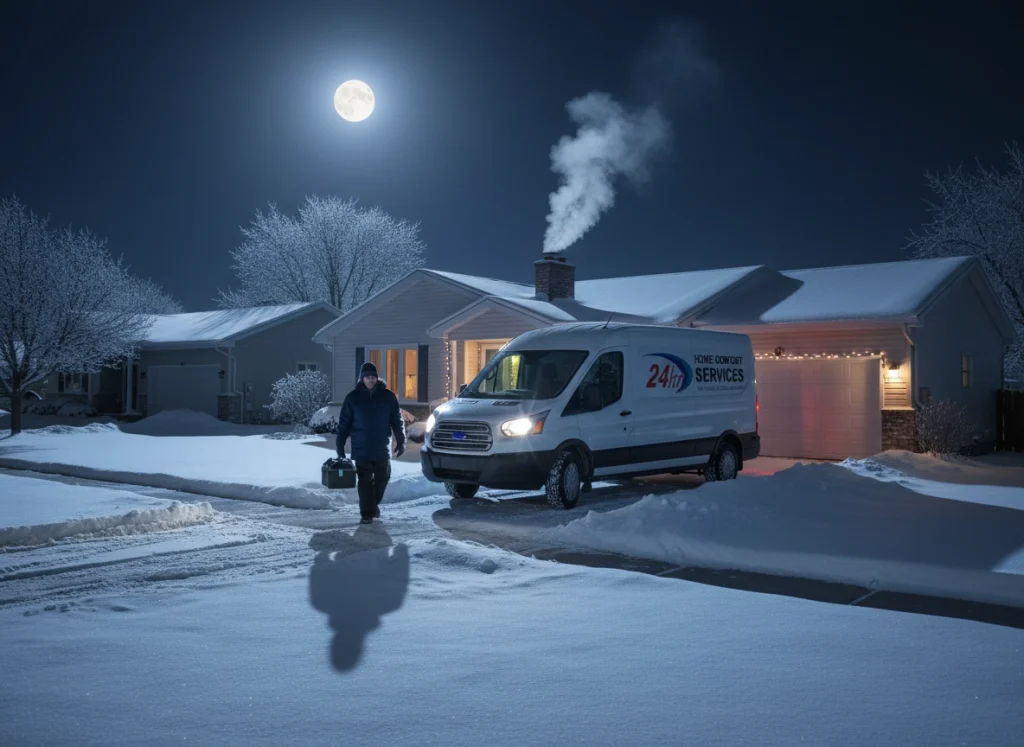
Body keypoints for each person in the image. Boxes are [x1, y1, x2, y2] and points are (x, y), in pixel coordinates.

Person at [336, 362, 407, 524]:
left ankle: (372, 505)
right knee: (365, 482)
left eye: (373, 377)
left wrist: (401, 441)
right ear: (362, 379)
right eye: (367, 377)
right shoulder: (353, 398)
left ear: (377, 378)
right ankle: (366, 514)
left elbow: (397, 420)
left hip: (382, 446)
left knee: (383, 478)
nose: (370, 380)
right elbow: (344, 423)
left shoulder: (388, 397)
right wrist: (339, 444)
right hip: (361, 448)